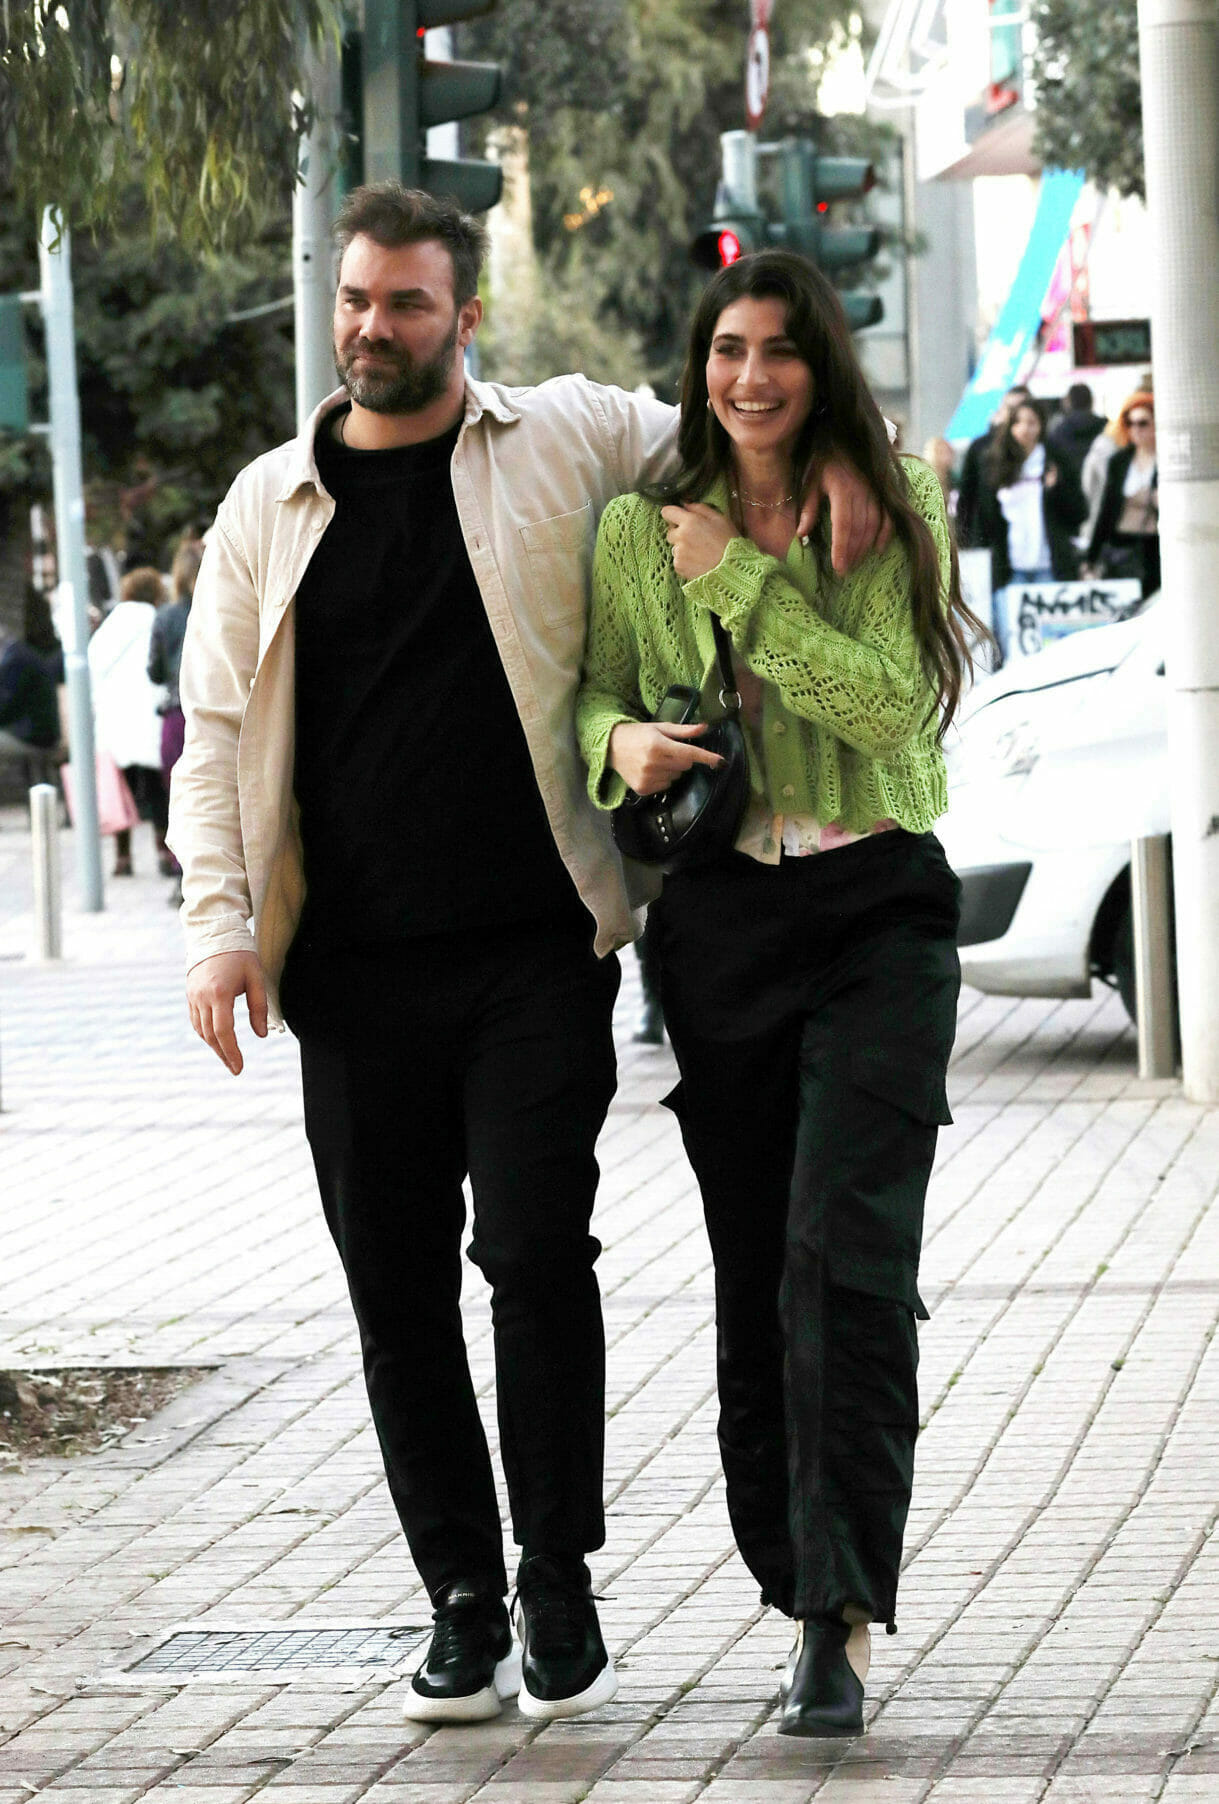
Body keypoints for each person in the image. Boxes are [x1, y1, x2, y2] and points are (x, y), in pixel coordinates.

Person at [168, 184, 885, 1730]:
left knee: (536, 1258)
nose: (372, 328)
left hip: (533, 953)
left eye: (406, 303)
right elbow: (213, 734)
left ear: (464, 317)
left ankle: (556, 1572)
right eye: (355, 299)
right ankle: (460, 1598)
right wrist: (219, 930)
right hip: (349, 971)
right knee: (394, 1291)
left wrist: (837, 460)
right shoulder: (268, 507)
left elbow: (732, 421)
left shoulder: (558, 435)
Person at [576, 249, 980, 1739]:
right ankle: (793, 1567)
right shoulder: (640, 528)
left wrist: (743, 579)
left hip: (877, 910)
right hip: (724, 928)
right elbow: (597, 689)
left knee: (840, 1258)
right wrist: (615, 741)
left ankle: (837, 1615)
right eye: (727, 350)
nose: (750, 377)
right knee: (758, 1265)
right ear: (700, 367)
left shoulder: (893, 506)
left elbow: (892, 715)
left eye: (779, 351)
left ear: (822, 369)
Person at [974, 397, 1086, 661]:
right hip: (1010, 566)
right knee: (1011, 641)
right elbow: (985, 517)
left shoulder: (1056, 461)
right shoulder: (995, 462)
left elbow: (1078, 512)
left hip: (1049, 563)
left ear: (1042, 426)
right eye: (1019, 423)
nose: (1025, 429)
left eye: (1032, 423)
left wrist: (1056, 489)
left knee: (1051, 646)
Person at [88, 565, 171, 876]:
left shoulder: (110, 626)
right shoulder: (158, 620)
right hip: (150, 719)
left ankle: (122, 858)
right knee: (157, 789)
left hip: (115, 720)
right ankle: (163, 852)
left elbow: (92, 667)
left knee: (119, 790)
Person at [148, 534, 204, 904]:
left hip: (177, 714)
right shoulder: (219, 610)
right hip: (213, 712)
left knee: (179, 797)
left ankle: (182, 874)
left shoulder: (166, 617)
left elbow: (153, 671)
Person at [1084, 391, 1159, 598]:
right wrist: (1091, 557)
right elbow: (1106, 510)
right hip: (1122, 548)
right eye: (1130, 423)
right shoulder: (1119, 461)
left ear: (1156, 424)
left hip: (1155, 549)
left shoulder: (1167, 462)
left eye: (1143, 423)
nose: (1136, 429)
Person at [954, 383, 1031, 548]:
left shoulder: (1042, 451)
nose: (1015, 416)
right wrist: (965, 539)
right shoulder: (981, 448)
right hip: (988, 539)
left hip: (1030, 541)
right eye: (1010, 409)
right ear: (1002, 410)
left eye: (1020, 410)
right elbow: (967, 494)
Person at [0, 587, 64, 774]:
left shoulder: (15, 659)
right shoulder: (17, 653)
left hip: (35, 736)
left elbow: (6, 706)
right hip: (36, 732)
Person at [1046, 381, 1107, 483]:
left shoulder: (1058, 432)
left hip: (1068, 485)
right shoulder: (1106, 427)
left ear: (1068, 402)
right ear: (1091, 401)